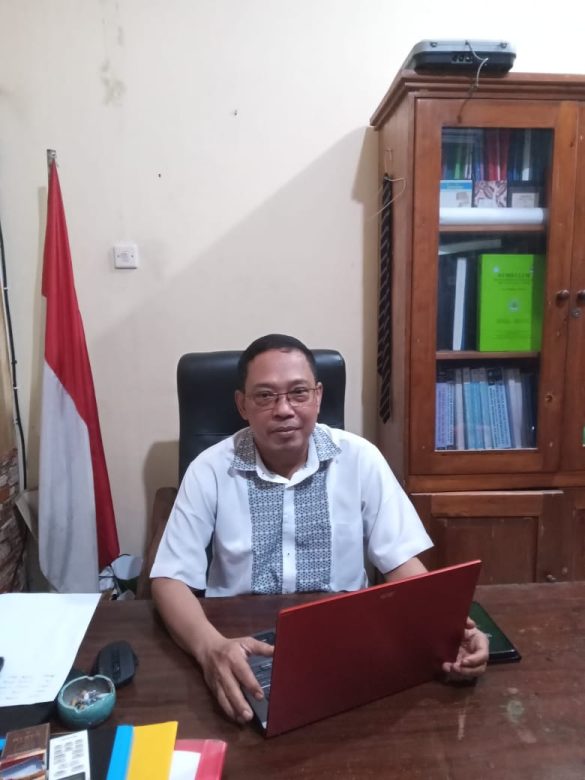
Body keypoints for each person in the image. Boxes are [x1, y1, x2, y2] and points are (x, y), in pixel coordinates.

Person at [151, 334, 488, 724]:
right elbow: (169, 579)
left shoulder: (359, 458)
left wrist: (445, 631)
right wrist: (210, 648)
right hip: (239, 642)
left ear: (318, 397)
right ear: (242, 405)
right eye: (265, 396)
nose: (284, 410)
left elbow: (401, 562)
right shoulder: (210, 469)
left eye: (298, 393)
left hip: (347, 636)